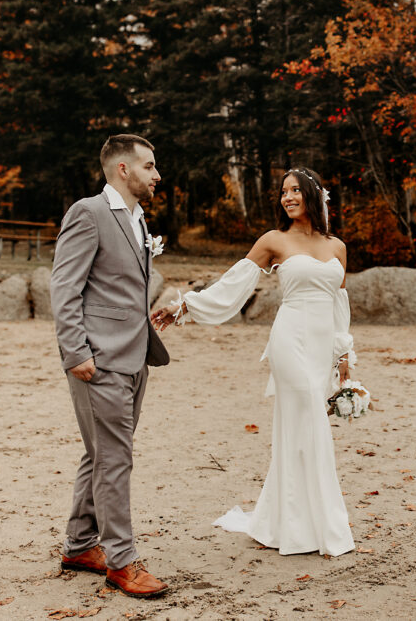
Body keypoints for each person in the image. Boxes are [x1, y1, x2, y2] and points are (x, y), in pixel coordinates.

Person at [151, 167, 356, 557]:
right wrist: (186, 306)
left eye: (296, 190)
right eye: (283, 192)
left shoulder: (337, 247)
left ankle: (291, 521)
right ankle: (311, 526)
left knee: (303, 426)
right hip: (290, 339)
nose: (288, 197)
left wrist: (343, 351)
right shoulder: (274, 240)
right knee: (310, 418)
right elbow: (235, 284)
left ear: (314, 194)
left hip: (319, 346)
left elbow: (339, 304)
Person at [50, 134, 171, 598]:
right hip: (97, 361)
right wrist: (77, 352)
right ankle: (121, 560)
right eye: (149, 165)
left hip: (134, 357)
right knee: (115, 459)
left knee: (100, 455)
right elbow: (64, 287)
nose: (156, 174)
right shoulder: (89, 212)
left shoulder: (137, 218)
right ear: (123, 169)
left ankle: (81, 545)